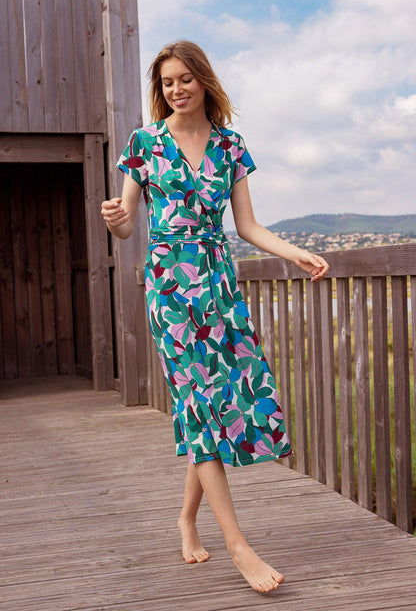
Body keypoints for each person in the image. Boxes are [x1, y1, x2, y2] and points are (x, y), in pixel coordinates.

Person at [101, 40, 329, 593]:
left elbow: (247, 226)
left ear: (203, 80)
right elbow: (127, 224)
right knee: (197, 404)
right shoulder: (144, 142)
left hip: (219, 286)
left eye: (185, 79)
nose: (176, 89)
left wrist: (293, 253)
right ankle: (238, 546)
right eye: (167, 82)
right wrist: (116, 221)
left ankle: (186, 518)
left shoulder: (230, 145)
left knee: (217, 403)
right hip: (170, 289)